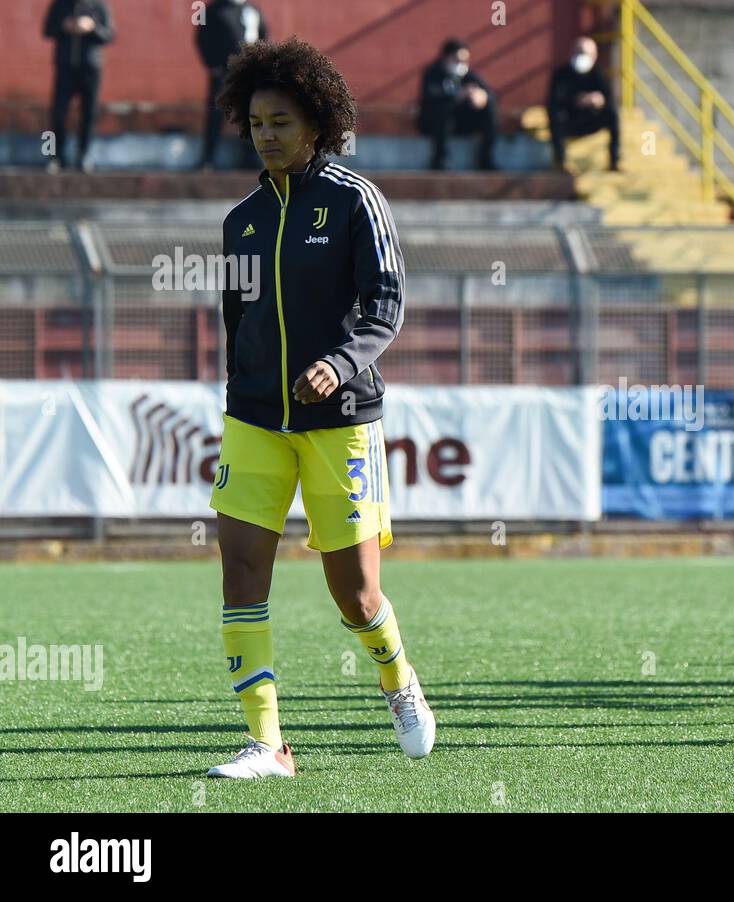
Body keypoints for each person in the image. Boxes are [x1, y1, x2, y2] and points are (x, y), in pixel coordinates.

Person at [206, 38, 434, 778]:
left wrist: (339, 365)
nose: (266, 133)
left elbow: (386, 303)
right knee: (240, 574)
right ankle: (268, 745)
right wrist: (242, 396)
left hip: (340, 424)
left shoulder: (353, 199)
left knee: (356, 594)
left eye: (281, 120)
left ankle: (397, 678)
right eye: (256, 121)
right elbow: (235, 321)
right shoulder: (239, 221)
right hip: (253, 422)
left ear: (317, 125)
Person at [42, 0, 114, 172]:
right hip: (65, 67)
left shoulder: (98, 6)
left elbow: (109, 35)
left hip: (90, 68)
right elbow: (47, 30)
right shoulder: (60, 5)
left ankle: (84, 154)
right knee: (58, 113)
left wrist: (91, 27)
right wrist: (64, 26)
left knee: (89, 113)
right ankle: (56, 156)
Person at [195, 0, 268, 170]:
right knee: (216, 113)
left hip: (250, 72)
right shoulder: (213, 10)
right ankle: (208, 159)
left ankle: (251, 158)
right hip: (224, 71)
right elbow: (202, 37)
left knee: (252, 112)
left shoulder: (252, 10)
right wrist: (212, 64)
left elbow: (264, 36)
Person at [417, 39, 498, 170]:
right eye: (457, 59)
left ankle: (486, 159)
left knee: (489, 107)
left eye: (464, 60)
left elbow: (490, 94)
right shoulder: (433, 73)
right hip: (435, 124)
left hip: (462, 124)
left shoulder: (469, 75)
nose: (461, 64)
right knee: (442, 108)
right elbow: (431, 96)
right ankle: (440, 160)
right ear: (446, 56)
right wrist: (458, 96)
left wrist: (482, 96)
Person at [547, 36, 619, 171]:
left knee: (613, 113)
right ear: (572, 53)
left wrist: (599, 101)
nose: (582, 56)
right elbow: (554, 101)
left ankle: (615, 160)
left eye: (586, 53)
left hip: (592, 120)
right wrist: (576, 101)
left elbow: (609, 99)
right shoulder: (561, 74)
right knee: (555, 115)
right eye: (579, 52)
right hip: (569, 120)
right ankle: (560, 161)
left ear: (594, 56)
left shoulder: (598, 74)